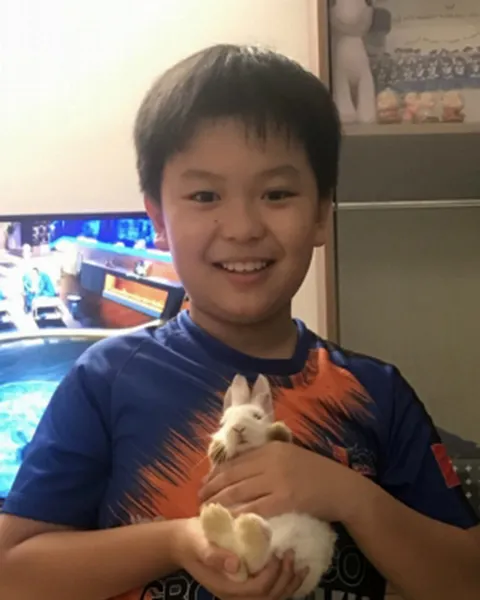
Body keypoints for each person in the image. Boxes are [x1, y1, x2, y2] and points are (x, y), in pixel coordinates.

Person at [0, 44, 478, 600]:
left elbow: (467, 580)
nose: (243, 227)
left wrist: (350, 496)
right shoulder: (107, 378)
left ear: (321, 213)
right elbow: (13, 572)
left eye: (277, 193)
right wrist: (177, 542)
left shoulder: (377, 393)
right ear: (158, 219)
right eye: (205, 195)